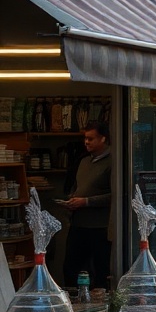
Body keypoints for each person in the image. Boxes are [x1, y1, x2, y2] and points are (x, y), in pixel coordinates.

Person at [63, 122, 112, 289]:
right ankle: (73, 300)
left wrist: (86, 201)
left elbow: (117, 196)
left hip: (100, 226)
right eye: (85, 138)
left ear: (103, 138)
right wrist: (72, 199)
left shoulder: (114, 162)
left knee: (100, 270)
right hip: (78, 223)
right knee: (71, 268)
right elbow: (78, 187)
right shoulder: (83, 162)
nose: (86, 142)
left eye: (91, 138)